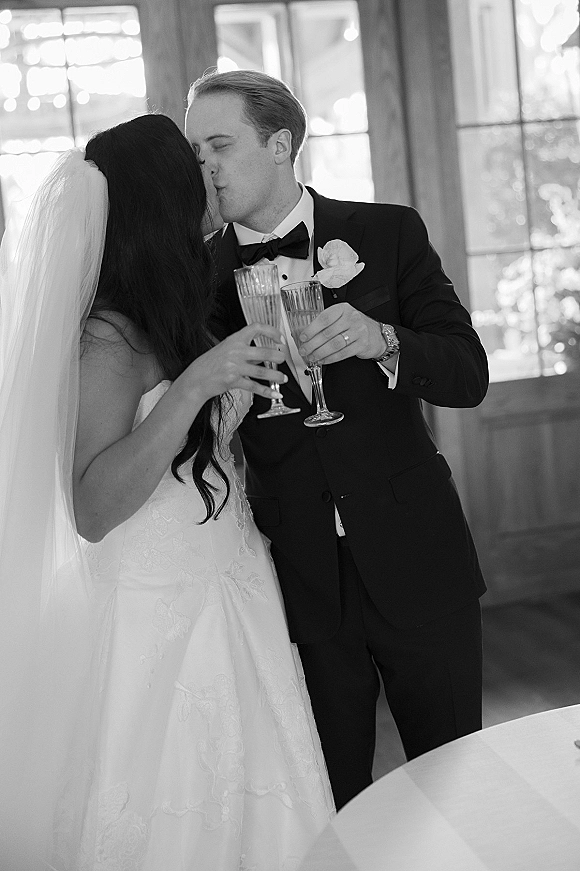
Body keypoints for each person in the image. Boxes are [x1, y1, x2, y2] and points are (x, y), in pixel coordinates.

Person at [0, 114, 333, 871]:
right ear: (161, 199)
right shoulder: (106, 339)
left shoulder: (174, 310)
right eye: (192, 162)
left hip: (232, 583)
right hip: (158, 611)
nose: (207, 173)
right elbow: (91, 508)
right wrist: (196, 387)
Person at [186, 69, 489, 811]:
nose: (206, 169)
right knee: (330, 807)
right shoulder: (196, 277)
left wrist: (383, 338)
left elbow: (467, 371)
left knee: (458, 787)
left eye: (219, 146)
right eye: (196, 153)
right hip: (299, 584)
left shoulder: (389, 232)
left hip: (421, 559)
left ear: (281, 142)